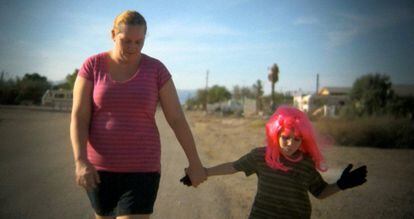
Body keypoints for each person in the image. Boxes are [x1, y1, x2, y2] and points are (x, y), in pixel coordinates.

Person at [70, 10, 207, 219]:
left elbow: (177, 119)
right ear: (113, 34)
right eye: (126, 41)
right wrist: (80, 161)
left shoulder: (156, 69)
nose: (132, 48)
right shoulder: (92, 66)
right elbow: (80, 116)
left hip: (143, 169)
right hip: (99, 170)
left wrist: (194, 162)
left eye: (139, 42)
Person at [181, 106, 367, 218]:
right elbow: (233, 166)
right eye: (286, 137)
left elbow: (320, 192)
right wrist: (203, 172)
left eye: (297, 139)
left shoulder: (306, 164)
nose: (291, 144)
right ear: (275, 133)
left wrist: (342, 185)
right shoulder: (260, 156)